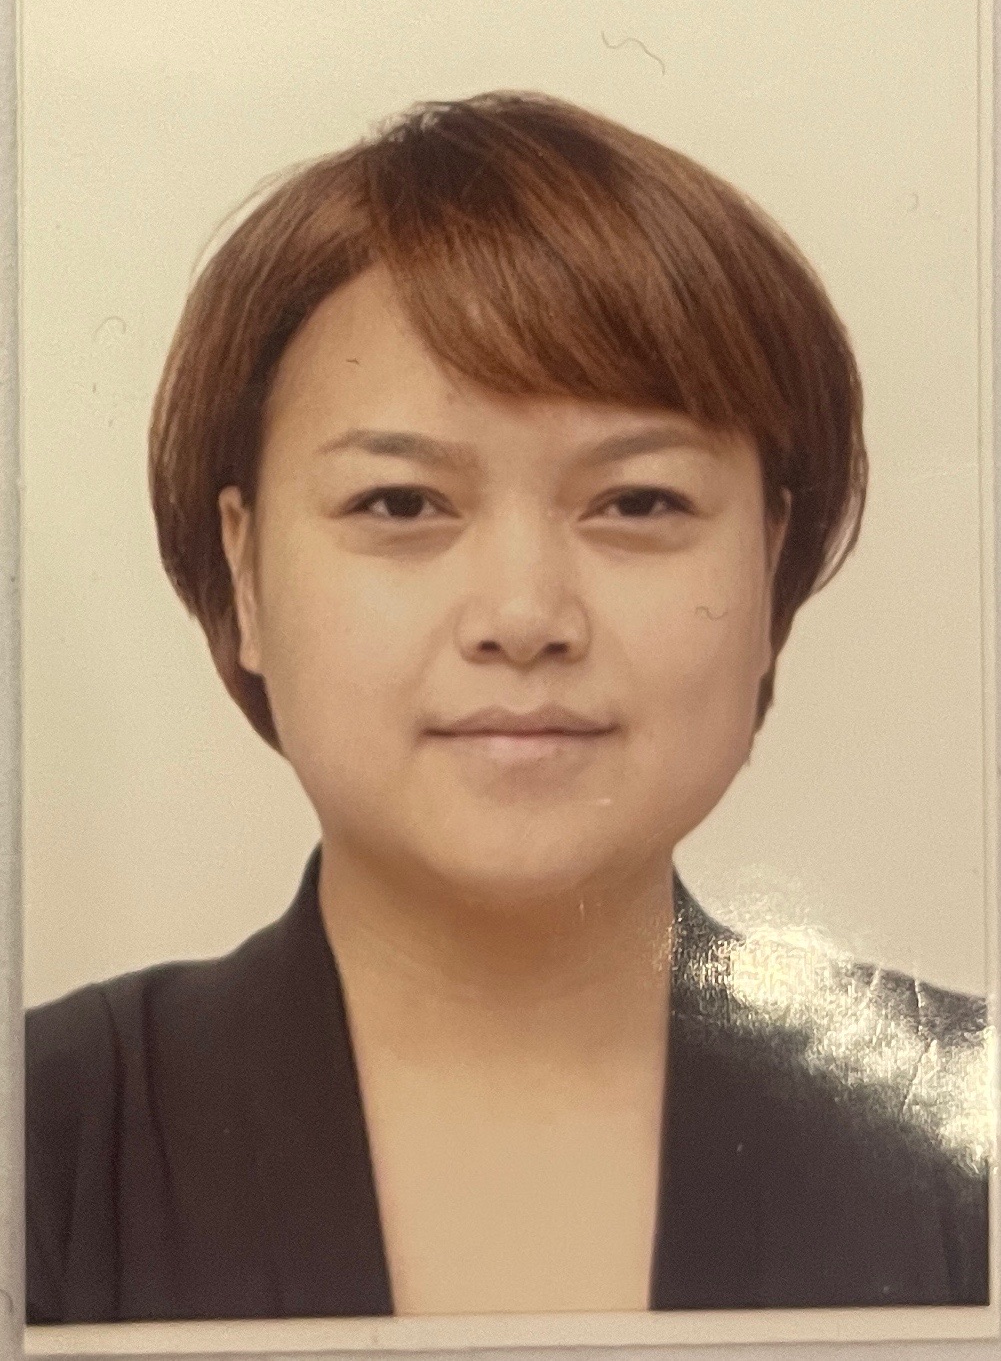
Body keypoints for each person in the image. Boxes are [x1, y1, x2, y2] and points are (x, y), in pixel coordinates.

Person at [25, 91, 990, 1323]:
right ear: (246, 572)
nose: (524, 614)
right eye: (399, 504)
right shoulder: (44, 1139)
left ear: (766, 565)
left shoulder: (964, 1132)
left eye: (637, 502)